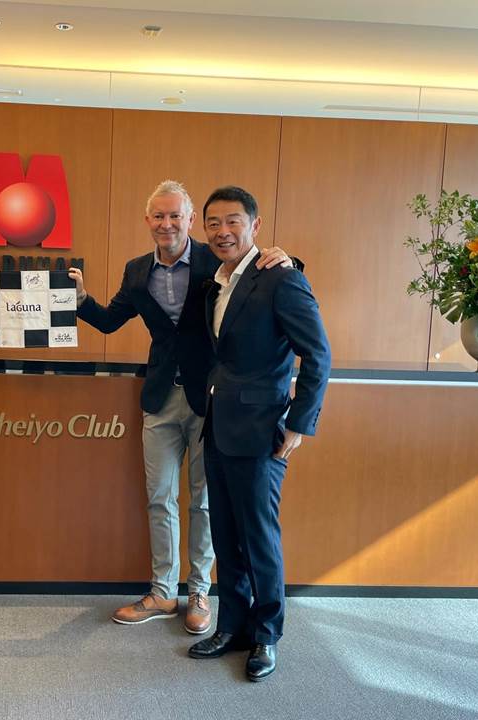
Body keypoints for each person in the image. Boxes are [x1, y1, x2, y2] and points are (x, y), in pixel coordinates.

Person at [68, 180, 292, 634]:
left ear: (190, 221)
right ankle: (162, 592)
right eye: (158, 216)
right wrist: (78, 299)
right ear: (147, 221)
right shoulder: (136, 271)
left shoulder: (218, 260)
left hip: (212, 400)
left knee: (205, 503)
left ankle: (199, 594)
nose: (166, 224)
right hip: (158, 399)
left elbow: (263, 275)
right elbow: (111, 321)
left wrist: (284, 256)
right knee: (159, 498)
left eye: (176, 216)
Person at [186, 186, 330, 681]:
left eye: (233, 222)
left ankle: (266, 637)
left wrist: (299, 422)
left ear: (255, 225)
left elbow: (318, 355)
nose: (223, 232)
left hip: (262, 430)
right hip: (219, 427)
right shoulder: (216, 280)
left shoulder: (280, 278)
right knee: (226, 535)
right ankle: (233, 626)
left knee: (260, 538)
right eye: (212, 224)